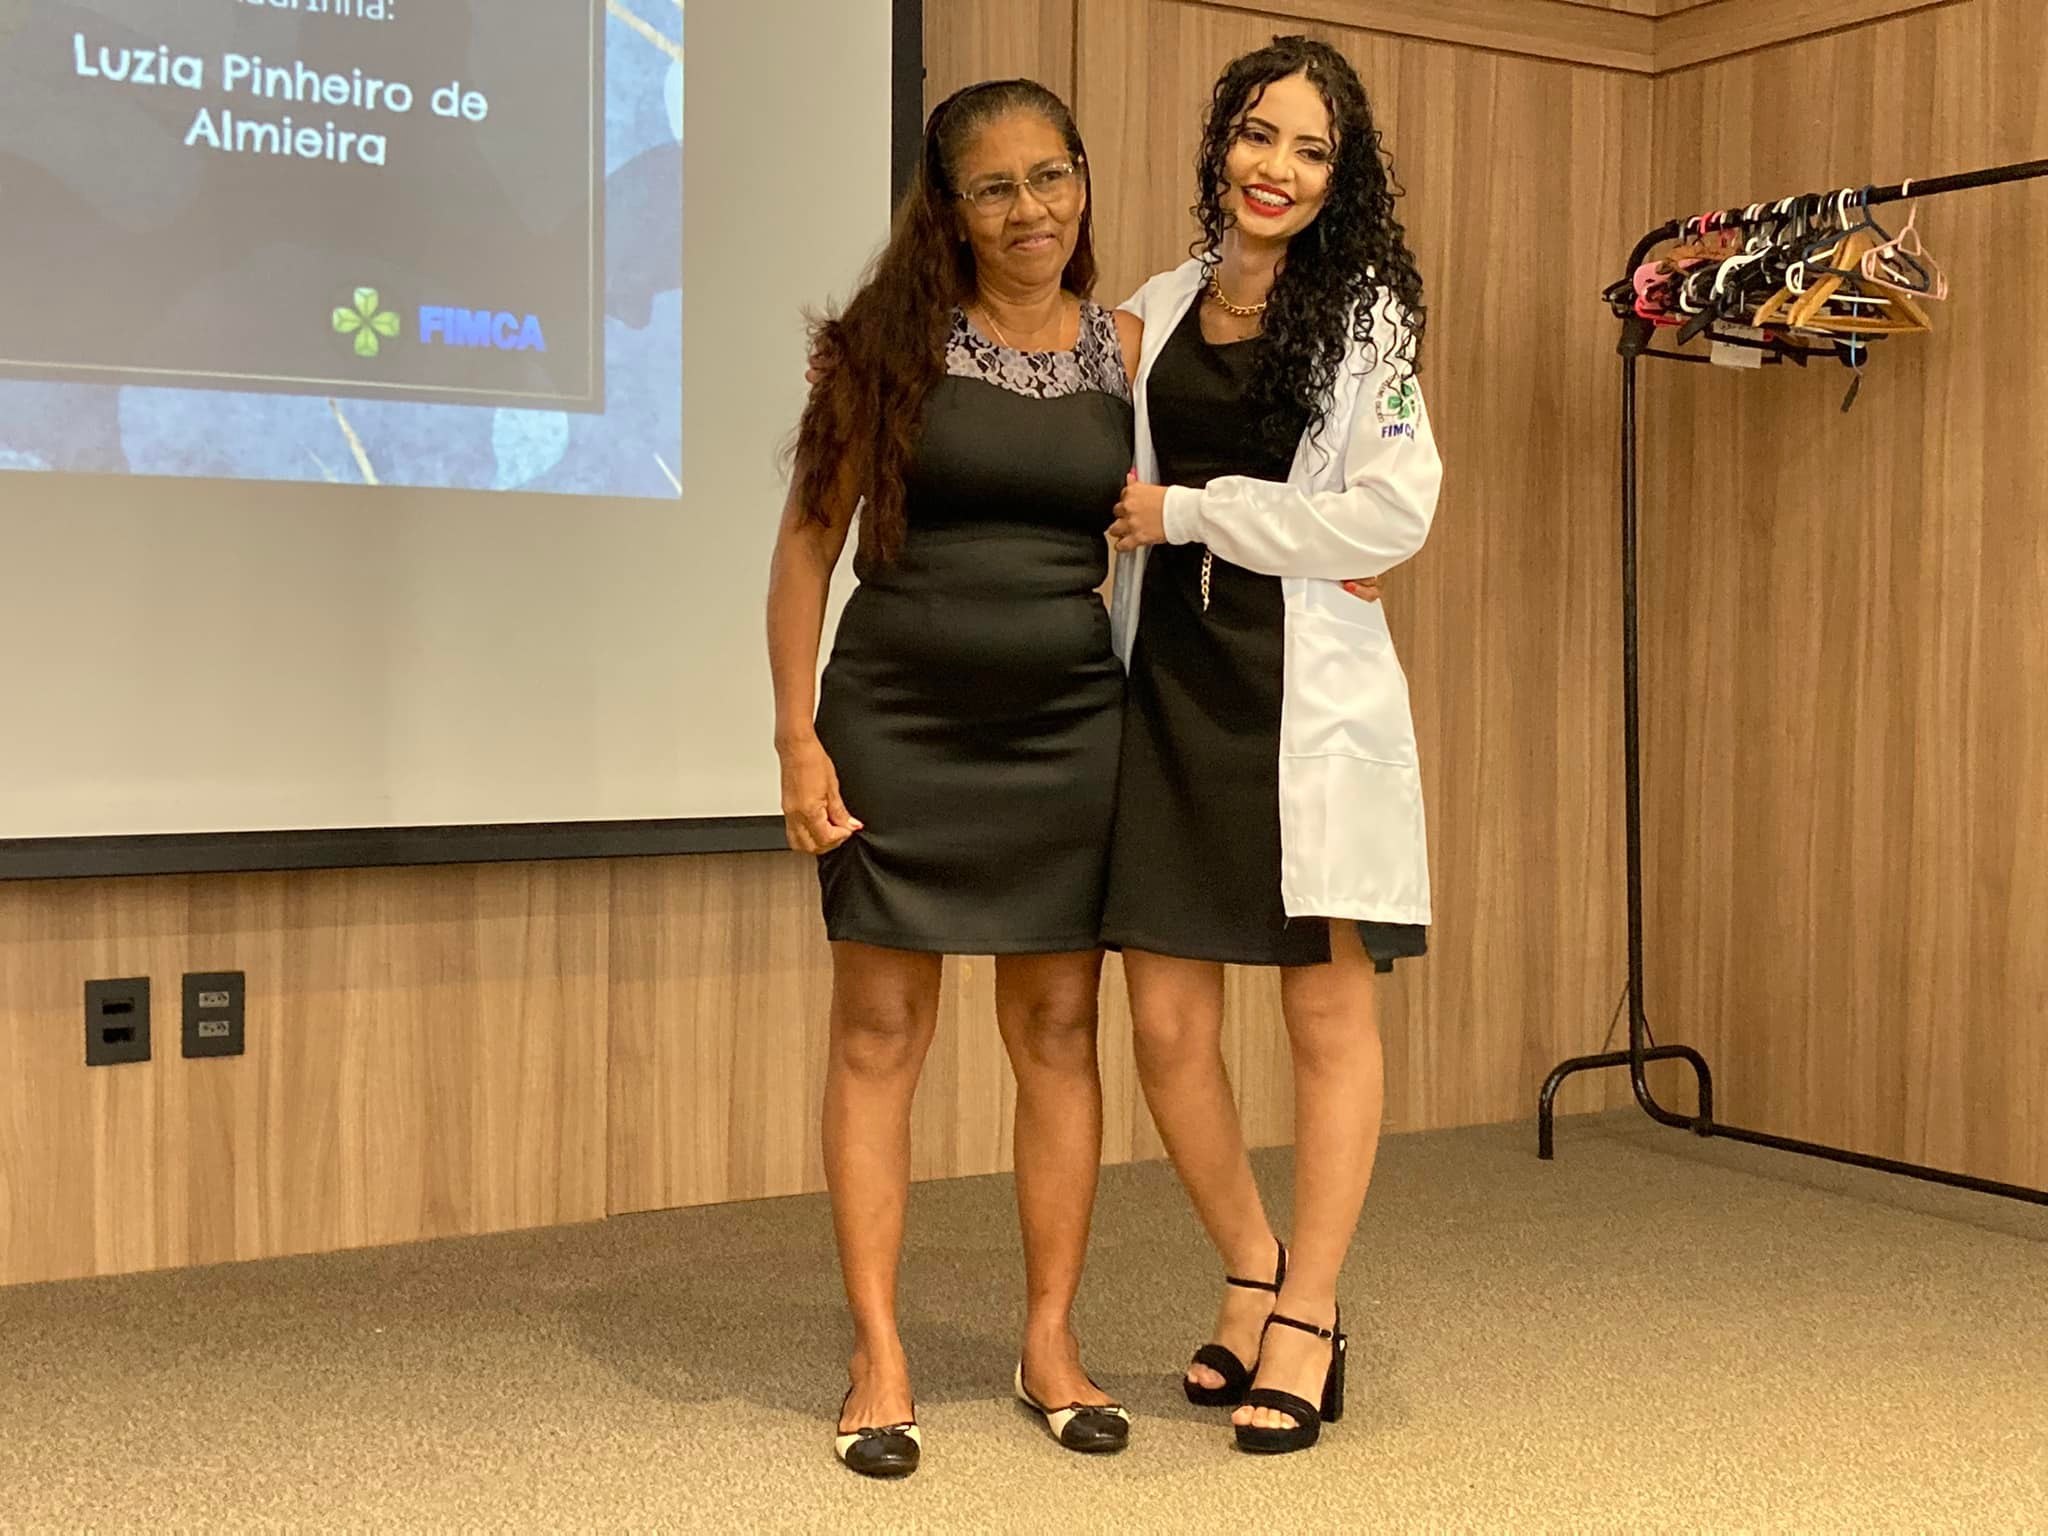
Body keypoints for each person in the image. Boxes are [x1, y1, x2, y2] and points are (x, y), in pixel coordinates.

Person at [766, 79, 1141, 1478]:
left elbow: (1212, 499)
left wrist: (1339, 549)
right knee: (879, 1036)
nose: (1031, 208)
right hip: (897, 720)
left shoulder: (1132, 346)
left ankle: (1051, 1339)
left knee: (1059, 1031)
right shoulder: (886, 348)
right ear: (950, 209)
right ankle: (879, 1350)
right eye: (996, 187)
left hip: (1068, 728)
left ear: (1083, 179)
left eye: (1053, 175)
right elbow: (806, 550)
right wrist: (796, 738)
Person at [1101, 34, 1443, 1456]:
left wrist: (1191, 513)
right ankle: (1253, 1265)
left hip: (1302, 695)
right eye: (1257, 134)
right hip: (1167, 692)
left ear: (1339, 178)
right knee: (1166, 1024)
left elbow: (1393, 512)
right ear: (1219, 144)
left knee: (1324, 1019)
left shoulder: (1365, 320)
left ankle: (1310, 1312)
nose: (1277, 169)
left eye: (1311, 149)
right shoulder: (1156, 305)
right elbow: (1092, 469)